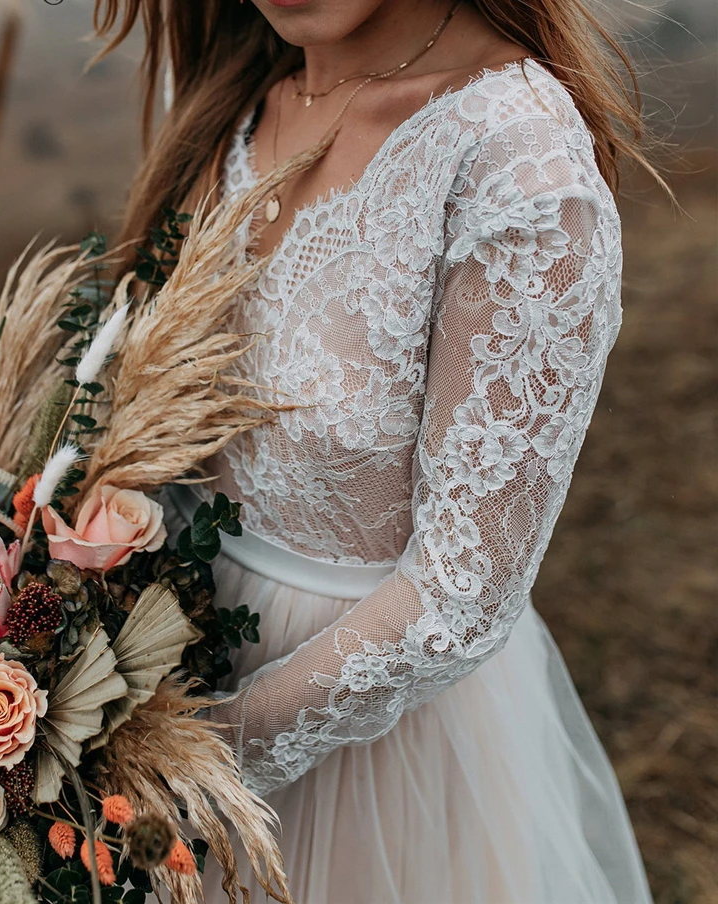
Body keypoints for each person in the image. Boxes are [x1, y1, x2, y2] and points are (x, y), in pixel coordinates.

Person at [94, 1, 658, 901]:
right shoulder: (233, 101)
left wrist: (196, 758)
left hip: (364, 754)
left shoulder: (515, 158)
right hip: (155, 660)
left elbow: (462, 591)